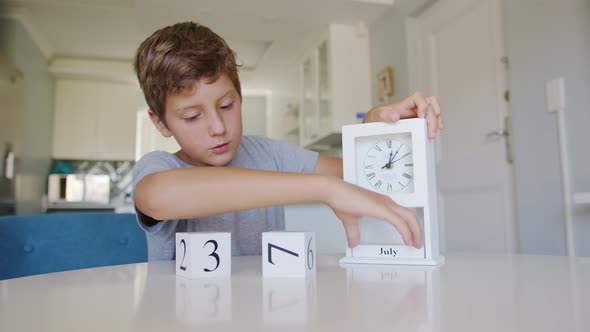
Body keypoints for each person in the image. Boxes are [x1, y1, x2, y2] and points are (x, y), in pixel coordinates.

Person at [132, 21, 443, 261]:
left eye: (226, 106)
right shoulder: (160, 167)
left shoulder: (267, 153)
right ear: (161, 123)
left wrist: (375, 131)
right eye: (191, 117)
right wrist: (324, 188)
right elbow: (158, 197)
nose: (217, 127)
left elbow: (359, 173)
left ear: (240, 96)